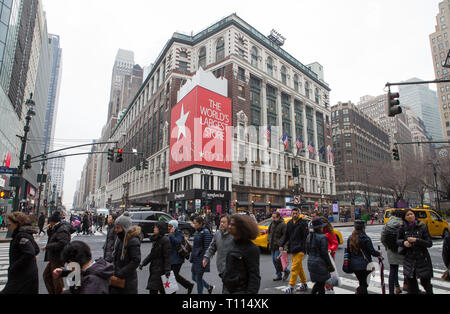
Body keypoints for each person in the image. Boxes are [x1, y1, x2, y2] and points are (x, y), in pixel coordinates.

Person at [0, 212, 39, 294]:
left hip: (22, 277)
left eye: (9, 225)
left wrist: (14, 267)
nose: (8, 227)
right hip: (26, 276)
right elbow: (36, 249)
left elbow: (30, 252)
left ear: (17, 224)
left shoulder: (21, 236)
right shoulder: (25, 234)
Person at [396, 209, 433, 294]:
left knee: (426, 283)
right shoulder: (402, 228)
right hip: (409, 259)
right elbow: (397, 240)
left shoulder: (422, 226)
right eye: (407, 215)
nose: (410, 216)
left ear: (414, 215)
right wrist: (404, 243)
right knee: (411, 285)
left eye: (411, 214)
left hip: (422, 258)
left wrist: (417, 240)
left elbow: (429, 243)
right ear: (404, 217)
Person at [221, 214, 260, 294]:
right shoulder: (232, 242)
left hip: (240, 290)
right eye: (230, 224)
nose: (229, 227)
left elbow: (254, 276)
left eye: (233, 224)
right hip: (227, 289)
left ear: (242, 228)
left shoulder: (251, 248)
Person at [42, 211, 75, 294]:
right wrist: (50, 229)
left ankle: (59, 292)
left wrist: (48, 246)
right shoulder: (57, 227)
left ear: (53, 221)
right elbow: (53, 237)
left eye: (50, 222)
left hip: (58, 256)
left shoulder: (62, 229)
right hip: (55, 256)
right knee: (47, 276)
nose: (49, 223)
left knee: (55, 277)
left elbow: (63, 243)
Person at [110, 212, 141, 294]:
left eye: (118, 228)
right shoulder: (120, 239)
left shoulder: (132, 241)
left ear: (125, 228)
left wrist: (121, 273)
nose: (116, 230)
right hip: (118, 278)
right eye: (115, 227)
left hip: (128, 281)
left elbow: (136, 260)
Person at [279, 207, 309, 293]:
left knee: (294, 268)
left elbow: (305, 237)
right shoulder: (289, 223)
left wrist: (304, 249)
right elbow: (286, 235)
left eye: (296, 213)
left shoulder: (303, 223)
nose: (295, 215)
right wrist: (281, 244)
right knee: (299, 267)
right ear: (291, 214)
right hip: (292, 248)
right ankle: (304, 284)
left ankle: (291, 286)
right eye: (293, 213)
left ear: (299, 213)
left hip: (300, 249)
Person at [347, 220, 381, 294]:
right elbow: (372, 252)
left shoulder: (350, 238)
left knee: (362, 283)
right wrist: (379, 253)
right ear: (363, 228)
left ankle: (359, 291)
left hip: (353, 265)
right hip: (365, 265)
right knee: (363, 284)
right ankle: (358, 291)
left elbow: (348, 252)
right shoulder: (366, 238)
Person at [203, 215, 234, 291]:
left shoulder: (234, 235)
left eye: (224, 222)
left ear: (229, 224)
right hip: (221, 268)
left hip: (232, 269)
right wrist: (206, 258)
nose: (221, 224)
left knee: (227, 289)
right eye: (221, 222)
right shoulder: (217, 234)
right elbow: (212, 247)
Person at [140, 221, 171, 294]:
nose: (154, 229)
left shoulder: (165, 240)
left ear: (160, 229)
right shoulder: (155, 239)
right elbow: (152, 254)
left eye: (155, 227)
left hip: (161, 270)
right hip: (154, 268)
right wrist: (143, 263)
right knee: (154, 289)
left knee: (160, 289)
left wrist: (167, 270)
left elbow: (167, 256)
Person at [306, 218, 334, 295]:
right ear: (320, 227)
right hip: (320, 263)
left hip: (311, 261)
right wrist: (329, 265)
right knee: (320, 284)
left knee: (319, 284)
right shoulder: (322, 237)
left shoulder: (309, 236)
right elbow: (324, 253)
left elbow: (307, 251)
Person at [380, 209, 406, 294]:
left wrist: (387, 246)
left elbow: (383, 237)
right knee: (408, 268)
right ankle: (406, 285)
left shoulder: (388, 223)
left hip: (391, 249)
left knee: (393, 270)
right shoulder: (404, 223)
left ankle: (393, 290)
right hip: (403, 249)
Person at [168, 220, 194, 294]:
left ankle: (188, 285)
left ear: (174, 226)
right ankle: (188, 285)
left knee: (174, 275)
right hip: (172, 258)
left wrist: (171, 235)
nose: (168, 227)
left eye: (170, 226)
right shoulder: (171, 233)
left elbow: (178, 241)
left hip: (178, 258)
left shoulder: (178, 232)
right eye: (168, 226)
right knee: (173, 275)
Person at [190, 216, 214, 294]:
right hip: (195, 258)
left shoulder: (206, 232)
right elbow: (195, 246)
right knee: (194, 277)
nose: (194, 225)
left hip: (201, 259)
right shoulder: (197, 231)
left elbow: (207, 248)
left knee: (198, 278)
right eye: (193, 223)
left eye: (195, 223)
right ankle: (208, 287)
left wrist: (205, 259)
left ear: (200, 223)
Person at [267, 211, 290, 281]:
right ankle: (279, 275)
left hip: (279, 246)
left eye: (274, 217)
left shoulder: (283, 225)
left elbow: (285, 236)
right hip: (272, 245)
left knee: (276, 260)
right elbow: (269, 232)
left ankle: (286, 271)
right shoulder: (272, 223)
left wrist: (282, 245)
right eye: (272, 217)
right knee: (274, 261)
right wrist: (269, 239)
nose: (273, 219)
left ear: (279, 217)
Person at [322, 217, 338, 294]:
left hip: (329, 255)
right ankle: (326, 287)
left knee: (329, 272)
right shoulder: (318, 232)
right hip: (321, 255)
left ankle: (329, 288)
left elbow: (335, 243)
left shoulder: (330, 233)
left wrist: (330, 249)